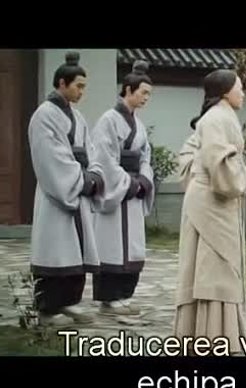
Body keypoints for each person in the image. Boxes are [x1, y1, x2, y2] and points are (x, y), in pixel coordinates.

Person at [173, 69, 246, 354]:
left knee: (210, 265)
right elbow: (222, 165)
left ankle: (205, 333)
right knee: (215, 266)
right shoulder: (217, 118)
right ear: (225, 92)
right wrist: (243, 179)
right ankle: (214, 336)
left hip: (210, 200)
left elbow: (197, 153)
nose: (243, 93)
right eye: (239, 88)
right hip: (212, 202)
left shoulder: (214, 117)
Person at [28, 51, 105, 326]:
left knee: (76, 250)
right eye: (78, 86)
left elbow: (91, 151)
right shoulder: (44, 115)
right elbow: (50, 157)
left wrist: (95, 175)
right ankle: (47, 310)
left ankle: (69, 301)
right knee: (56, 249)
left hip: (78, 189)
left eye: (84, 86)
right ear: (62, 83)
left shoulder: (78, 117)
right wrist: (82, 180)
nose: (82, 92)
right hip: (56, 194)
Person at [90, 60, 154, 316]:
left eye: (149, 94)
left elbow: (145, 156)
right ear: (128, 89)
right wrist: (127, 183)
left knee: (133, 244)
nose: (146, 98)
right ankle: (108, 298)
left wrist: (144, 180)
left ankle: (124, 294)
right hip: (118, 191)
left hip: (134, 191)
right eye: (143, 92)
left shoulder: (139, 125)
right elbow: (103, 157)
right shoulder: (108, 120)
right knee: (112, 244)